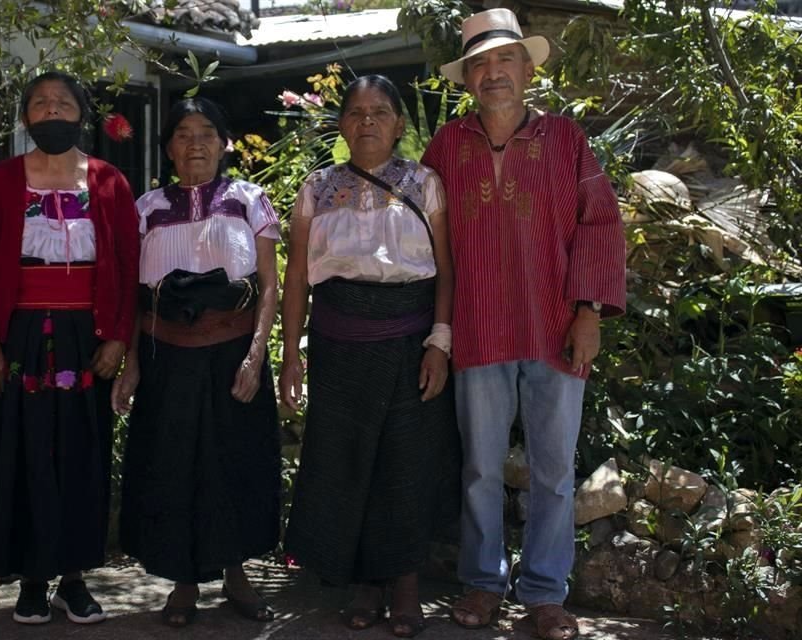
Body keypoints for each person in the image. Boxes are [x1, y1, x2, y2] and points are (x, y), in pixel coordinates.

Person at [421, 9, 627, 640]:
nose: (493, 73)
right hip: (479, 327)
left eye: (504, 60)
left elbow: (600, 222)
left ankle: (544, 594)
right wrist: (437, 331)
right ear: (467, 81)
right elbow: (423, 237)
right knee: (480, 467)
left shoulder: (566, 140)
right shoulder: (447, 147)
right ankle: (484, 584)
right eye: (479, 63)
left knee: (554, 472)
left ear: (528, 69)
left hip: (555, 328)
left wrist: (588, 311)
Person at [279, 75, 460, 639]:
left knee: (406, 463)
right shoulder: (316, 189)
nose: (367, 122)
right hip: (338, 346)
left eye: (380, 112)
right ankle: (361, 580)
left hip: (410, 344)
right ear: (341, 123)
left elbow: (446, 271)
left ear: (400, 123)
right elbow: (296, 282)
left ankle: (404, 583)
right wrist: (291, 355)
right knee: (346, 461)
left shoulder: (425, 183)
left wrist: (440, 341)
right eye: (355, 112)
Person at [0, 71, 140, 625]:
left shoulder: (110, 182)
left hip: (87, 341)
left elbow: (131, 270)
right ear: (26, 118)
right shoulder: (1, 181)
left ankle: (74, 579)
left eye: (64, 103)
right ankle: (32, 579)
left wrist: (116, 338)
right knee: (25, 452)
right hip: (20, 342)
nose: (53, 112)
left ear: (81, 115)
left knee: (82, 454)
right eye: (41, 104)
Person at [111, 97, 281, 628]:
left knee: (235, 463)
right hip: (168, 360)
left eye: (207, 131)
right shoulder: (145, 208)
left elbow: (270, 286)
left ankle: (236, 575)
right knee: (174, 467)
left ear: (225, 142)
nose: (196, 142)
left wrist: (256, 357)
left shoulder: (250, 200)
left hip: (233, 355)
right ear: (168, 147)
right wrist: (133, 365)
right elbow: (135, 298)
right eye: (183, 133)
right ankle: (183, 582)